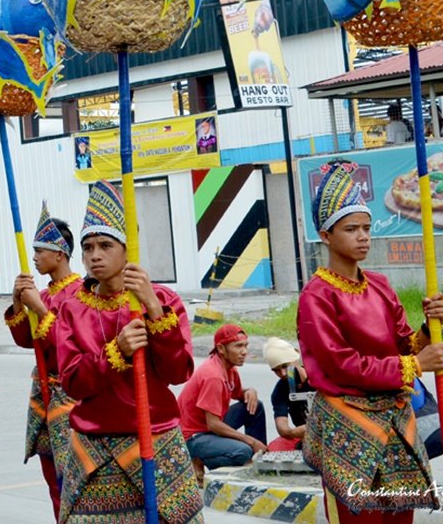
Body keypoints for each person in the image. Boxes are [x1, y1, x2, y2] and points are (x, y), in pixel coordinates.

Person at [298, 160, 443, 524]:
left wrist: (430, 328)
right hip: (348, 426)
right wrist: (416, 366)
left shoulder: (379, 284)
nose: (363, 236)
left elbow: (404, 344)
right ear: (326, 235)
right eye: (351, 229)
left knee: (400, 517)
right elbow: (340, 365)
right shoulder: (316, 296)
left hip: (395, 420)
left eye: (366, 227)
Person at [56, 181, 202, 524]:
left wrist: (153, 309)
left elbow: (178, 372)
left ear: (127, 248)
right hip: (94, 443)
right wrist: (115, 352)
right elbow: (73, 382)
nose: (95, 255)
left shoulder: (164, 300)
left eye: (106, 245)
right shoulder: (72, 308)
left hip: (156, 436)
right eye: (88, 247)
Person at [2, 202, 81, 520]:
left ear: (59, 254)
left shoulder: (80, 293)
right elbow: (25, 341)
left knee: (71, 473)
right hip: (44, 393)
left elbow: (70, 344)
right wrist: (18, 301)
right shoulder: (43, 294)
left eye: (40, 251)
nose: (34, 258)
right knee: (51, 474)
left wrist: (38, 306)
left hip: (70, 392)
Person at [179, 324, 267, 475]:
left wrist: (250, 391)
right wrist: (250, 441)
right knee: (243, 451)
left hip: (210, 426)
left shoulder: (230, 368)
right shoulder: (213, 376)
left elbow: (238, 394)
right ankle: (197, 459)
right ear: (221, 349)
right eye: (238, 346)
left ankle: (260, 458)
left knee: (255, 407)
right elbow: (213, 424)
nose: (244, 352)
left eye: (246, 345)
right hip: (194, 436)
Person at [264, 337, 313, 452]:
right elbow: (283, 429)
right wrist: (293, 432)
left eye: (285, 366)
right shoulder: (280, 391)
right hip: (305, 437)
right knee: (273, 448)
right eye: (276, 370)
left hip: (330, 432)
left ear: (296, 354)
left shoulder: (318, 377)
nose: (283, 373)